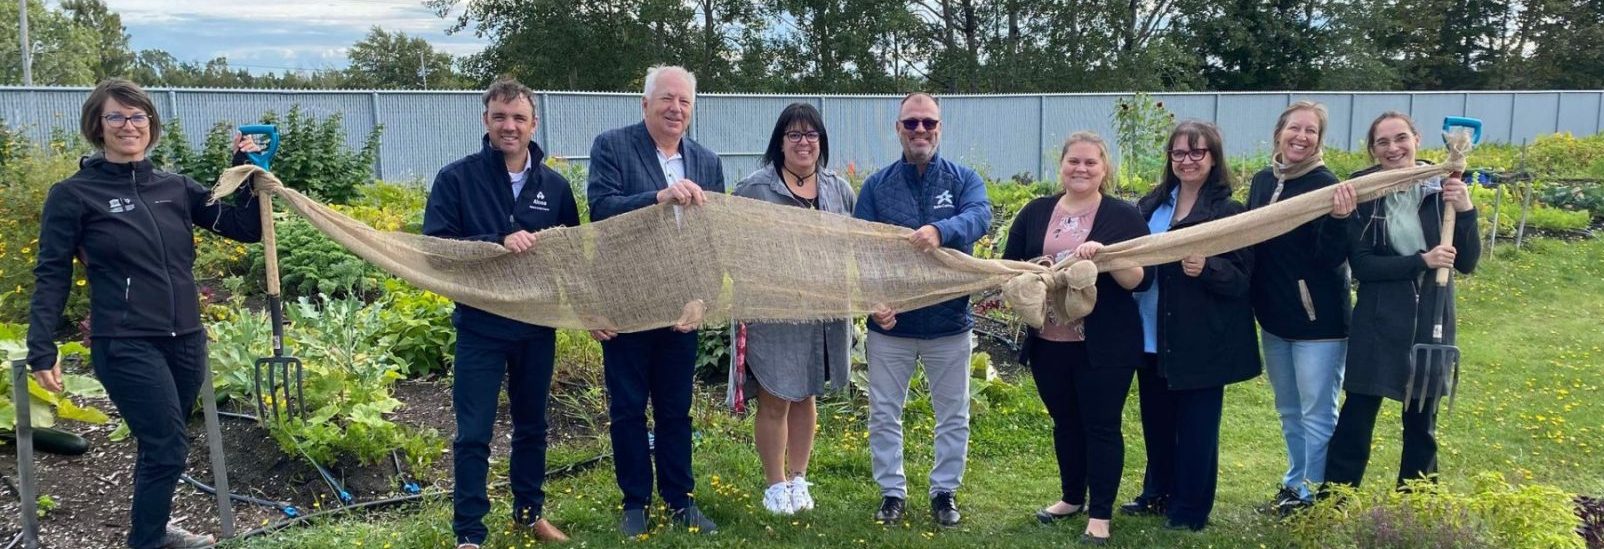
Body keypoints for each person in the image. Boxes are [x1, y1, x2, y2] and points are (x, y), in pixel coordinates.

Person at [26, 78, 262, 549]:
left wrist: (246, 173)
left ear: (151, 125)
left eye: (138, 117)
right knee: (167, 445)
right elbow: (52, 274)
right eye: (116, 116)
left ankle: (152, 531)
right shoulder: (74, 195)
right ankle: (148, 541)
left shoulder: (175, 187)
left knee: (163, 446)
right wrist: (42, 347)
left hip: (186, 337)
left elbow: (244, 229)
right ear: (98, 125)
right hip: (126, 340)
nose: (128, 126)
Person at [423, 77, 578, 549]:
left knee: (533, 426)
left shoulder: (554, 186)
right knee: (473, 433)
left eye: (518, 118)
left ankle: (530, 512)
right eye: (500, 118)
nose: (509, 127)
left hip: (536, 327)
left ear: (533, 124)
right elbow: (436, 249)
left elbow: (570, 253)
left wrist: (588, 308)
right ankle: (469, 532)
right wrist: (495, 243)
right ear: (486, 122)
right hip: (480, 327)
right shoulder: (456, 178)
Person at [585, 65, 724, 536]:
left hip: (680, 304)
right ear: (645, 104)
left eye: (684, 101)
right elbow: (601, 210)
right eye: (667, 99)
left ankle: (680, 499)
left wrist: (702, 297)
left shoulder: (706, 161)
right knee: (626, 407)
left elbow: (713, 238)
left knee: (674, 408)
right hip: (625, 301)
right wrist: (659, 196)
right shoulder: (612, 146)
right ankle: (634, 503)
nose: (676, 108)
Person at [1001, 132, 1149, 544]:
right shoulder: (1036, 211)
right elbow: (1009, 265)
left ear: (1105, 169)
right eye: (1073, 162)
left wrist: (1106, 257)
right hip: (1049, 340)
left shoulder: (1122, 215)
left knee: (1101, 426)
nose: (1081, 169)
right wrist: (1037, 270)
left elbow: (1141, 279)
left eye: (1090, 163)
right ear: (1061, 165)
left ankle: (1100, 514)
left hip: (1104, 345)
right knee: (1065, 421)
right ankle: (1071, 498)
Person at [853, 92, 992, 527]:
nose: (920, 131)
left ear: (939, 127)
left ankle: (944, 492)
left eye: (928, 123)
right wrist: (872, 303)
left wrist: (941, 229)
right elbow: (860, 249)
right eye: (911, 123)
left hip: (950, 322)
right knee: (883, 413)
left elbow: (980, 216)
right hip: (891, 325)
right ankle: (891, 492)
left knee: (953, 413)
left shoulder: (963, 179)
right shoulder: (877, 187)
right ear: (898, 129)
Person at [1323, 112, 1480, 492]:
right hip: (1378, 316)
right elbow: (1362, 265)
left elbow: (1469, 261)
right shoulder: (1364, 192)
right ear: (1373, 149)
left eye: (1400, 138)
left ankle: (1416, 500)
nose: (1393, 148)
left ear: (1417, 139)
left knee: (1421, 420)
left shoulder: (1442, 188)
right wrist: (1420, 261)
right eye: (1383, 142)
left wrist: (1466, 209)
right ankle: (1335, 498)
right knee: (1358, 413)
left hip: (1432, 314)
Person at [1125, 121, 1259, 532]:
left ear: (1213, 158)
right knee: (1158, 423)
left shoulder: (1228, 213)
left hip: (1200, 339)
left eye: (1197, 153)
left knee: (1197, 430)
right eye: (1179, 153)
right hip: (1150, 333)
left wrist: (1208, 268)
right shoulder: (1151, 205)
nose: (1187, 161)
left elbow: (1242, 279)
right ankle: (1157, 494)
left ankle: (1190, 509)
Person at [731, 102, 855, 515]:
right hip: (775, 312)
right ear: (780, 142)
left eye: (812, 135)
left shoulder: (838, 189)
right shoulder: (756, 189)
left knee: (806, 395)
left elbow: (855, 246)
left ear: (822, 142)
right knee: (777, 398)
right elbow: (736, 249)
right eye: (795, 135)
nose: (804, 143)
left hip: (824, 313)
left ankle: (799, 478)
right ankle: (775, 485)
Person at [1246, 101, 1359, 514]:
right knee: (1289, 410)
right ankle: (1295, 484)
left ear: (1319, 140)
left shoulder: (1327, 185)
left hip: (1319, 323)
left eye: (1311, 131)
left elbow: (1330, 258)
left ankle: (1314, 494)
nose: (1302, 137)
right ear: (1280, 132)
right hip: (1275, 320)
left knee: (1317, 412)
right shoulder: (1263, 181)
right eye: (1295, 128)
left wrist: (1339, 219)